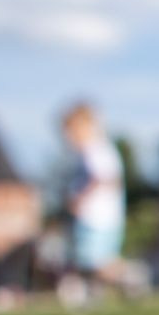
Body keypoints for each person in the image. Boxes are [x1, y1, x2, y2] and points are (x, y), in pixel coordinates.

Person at [56, 102, 125, 290]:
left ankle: (131, 279)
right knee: (89, 261)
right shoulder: (94, 150)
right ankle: (95, 294)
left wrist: (79, 199)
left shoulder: (95, 150)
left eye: (71, 133)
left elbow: (104, 178)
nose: (69, 139)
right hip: (97, 217)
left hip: (97, 217)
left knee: (96, 262)